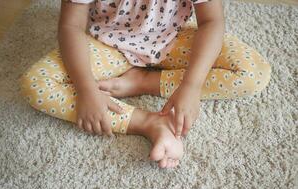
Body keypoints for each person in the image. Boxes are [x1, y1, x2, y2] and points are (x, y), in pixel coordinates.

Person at [19, 0, 271, 169]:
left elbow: (212, 21)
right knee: (37, 84)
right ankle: (148, 122)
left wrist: (192, 85)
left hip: (170, 40)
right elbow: (70, 26)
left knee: (252, 72)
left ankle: (143, 82)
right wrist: (85, 88)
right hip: (108, 45)